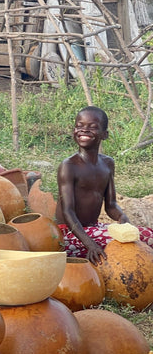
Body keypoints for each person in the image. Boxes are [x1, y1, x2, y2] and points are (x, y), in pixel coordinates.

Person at [55, 105, 153, 265]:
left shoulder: (108, 164)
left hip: (93, 229)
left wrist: (122, 218)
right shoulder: (69, 166)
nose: (84, 130)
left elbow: (111, 205)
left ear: (104, 134)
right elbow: (68, 212)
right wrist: (90, 244)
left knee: (147, 236)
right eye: (79, 126)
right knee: (119, 245)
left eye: (92, 127)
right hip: (69, 233)